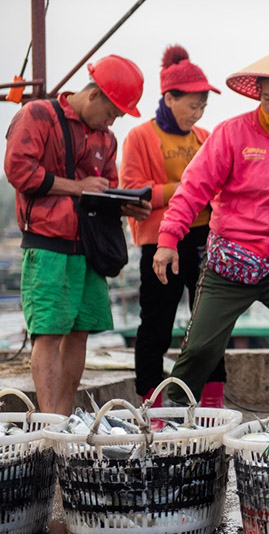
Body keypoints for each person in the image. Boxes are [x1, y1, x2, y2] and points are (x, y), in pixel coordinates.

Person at [153, 42, 269, 415]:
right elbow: (193, 189)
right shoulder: (233, 134)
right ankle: (173, 416)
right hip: (230, 260)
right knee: (202, 347)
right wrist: (168, 238)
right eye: (267, 98)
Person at [4, 55, 152, 415]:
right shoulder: (38, 115)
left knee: (80, 331)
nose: (113, 120)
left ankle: (65, 418)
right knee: (49, 333)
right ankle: (50, 422)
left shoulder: (107, 138)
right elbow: (19, 170)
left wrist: (125, 205)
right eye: (113, 111)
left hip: (88, 246)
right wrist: (78, 187)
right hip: (48, 242)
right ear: (95, 94)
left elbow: (107, 187)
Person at [120, 45, 225, 409]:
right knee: (156, 323)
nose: (197, 114)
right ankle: (152, 401)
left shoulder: (206, 136)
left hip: (203, 237)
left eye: (202, 108)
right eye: (192, 106)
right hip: (158, 241)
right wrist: (186, 188)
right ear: (169, 98)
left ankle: (213, 400)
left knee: (210, 322)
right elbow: (132, 192)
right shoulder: (140, 137)